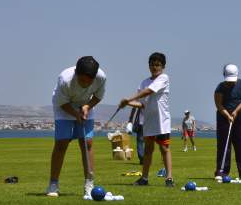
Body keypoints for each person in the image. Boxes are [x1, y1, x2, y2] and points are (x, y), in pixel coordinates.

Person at [45, 56, 106, 197]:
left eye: (88, 81)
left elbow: (98, 96)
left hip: (85, 104)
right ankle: (53, 184)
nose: (85, 84)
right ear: (76, 73)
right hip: (64, 106)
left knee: (87, 142)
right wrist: (75, 114)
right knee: (61, 143)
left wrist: (87, 107)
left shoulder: (101, 77)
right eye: (82, 80)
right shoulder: (65, 79)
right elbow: (62, 102)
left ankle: (89, 183)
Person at [119, 52, 174, 187]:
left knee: (164, 149)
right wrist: (127, 103)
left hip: (162, 122)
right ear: (149, 66)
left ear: (163, 66)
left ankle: (169, 178)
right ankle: (144, 178)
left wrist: (130, 98)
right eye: (152, 65)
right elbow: (142, 104)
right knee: (148, 150)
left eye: (158, 65)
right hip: (148, 122)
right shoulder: (144, 82)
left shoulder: (164, 78)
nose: (155, 67)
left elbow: (149, 91)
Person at [214, 64, 241, 180]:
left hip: (239, 118)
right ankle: (221, 172)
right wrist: (227, 115)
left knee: (240, 145)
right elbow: (219, 104)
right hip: (223, 119)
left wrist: (236, 111)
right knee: (224, 145)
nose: (231, 83)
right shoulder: (220, 87)